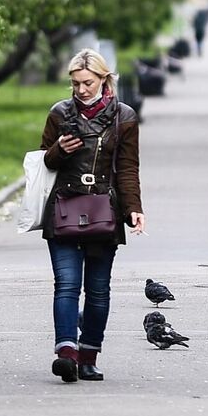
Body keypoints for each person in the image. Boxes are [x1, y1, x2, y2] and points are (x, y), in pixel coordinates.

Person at [38, 49, 144, 384]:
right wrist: (59, 151)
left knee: (98, 290)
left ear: (103, 79)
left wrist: (133, 208)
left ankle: (88, 356)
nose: (81, 90)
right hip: (65, 207)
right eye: (75, 84)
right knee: (66, 285)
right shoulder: (59, 113)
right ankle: (66, 354)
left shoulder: (123, 117)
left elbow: (127, 167)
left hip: (104, 212)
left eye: (87, 82)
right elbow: (42, 162)